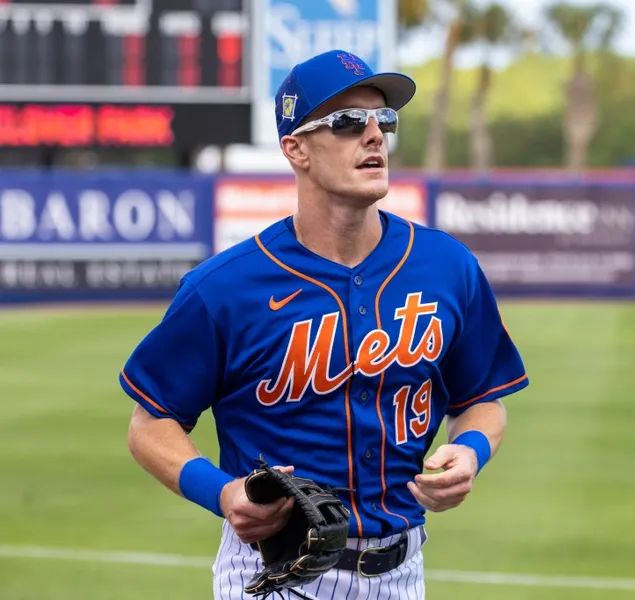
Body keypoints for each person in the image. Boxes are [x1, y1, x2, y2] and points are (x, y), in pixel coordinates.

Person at [118, 49, 529, 600]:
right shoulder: (224, 287)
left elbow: (482, 399)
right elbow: (149, 424)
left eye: (384, 119)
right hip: (274, 573)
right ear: (296, 149)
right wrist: (222, 492)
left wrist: (472, 450)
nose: (374, 135)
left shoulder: (447, 266)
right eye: (348, 121)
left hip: (404, 573)